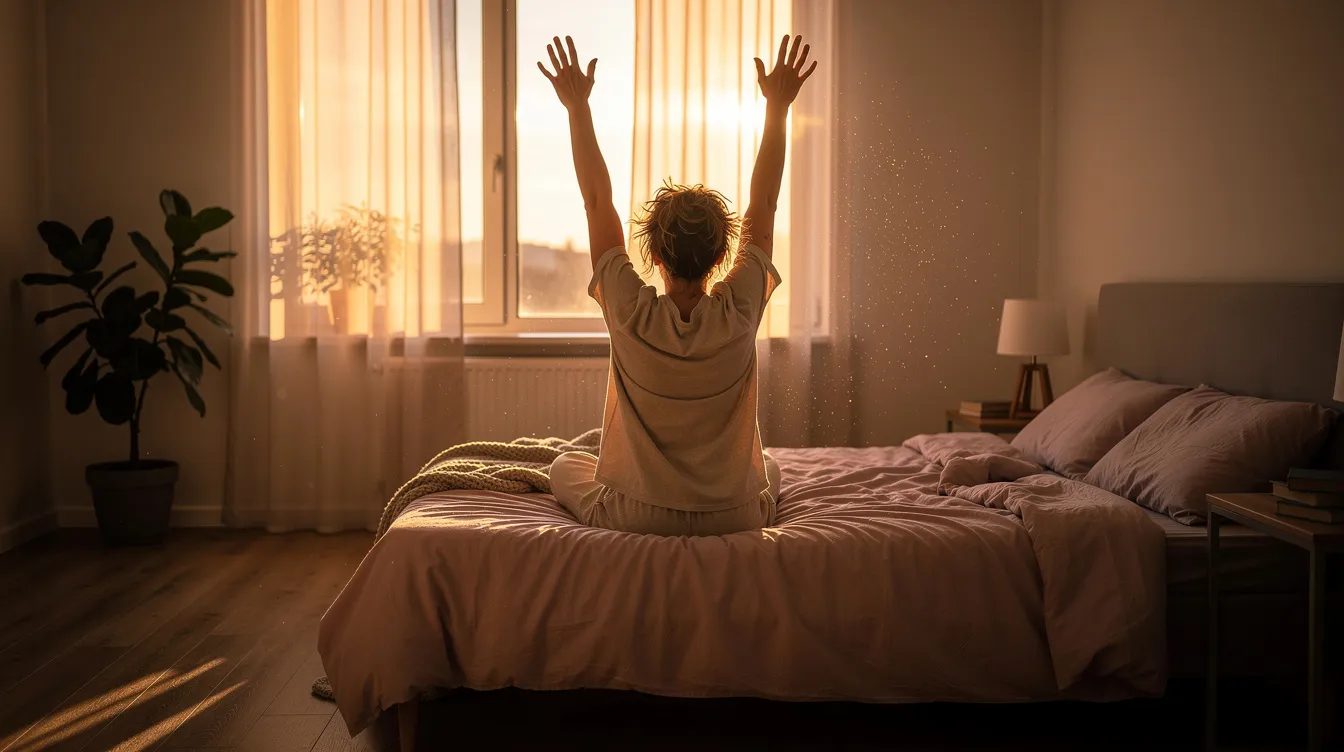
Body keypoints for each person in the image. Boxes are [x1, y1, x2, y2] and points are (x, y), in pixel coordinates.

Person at [541, 33, 817, 536]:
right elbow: (767, 202)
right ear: (721, 255)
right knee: (770, 468)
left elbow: (596, 202)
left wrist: (577, 107)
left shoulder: (629, 310)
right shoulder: (740, 309)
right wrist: (778, 106)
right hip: (733, 514)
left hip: (636, 513)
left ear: (654, 255)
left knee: (564, 465)